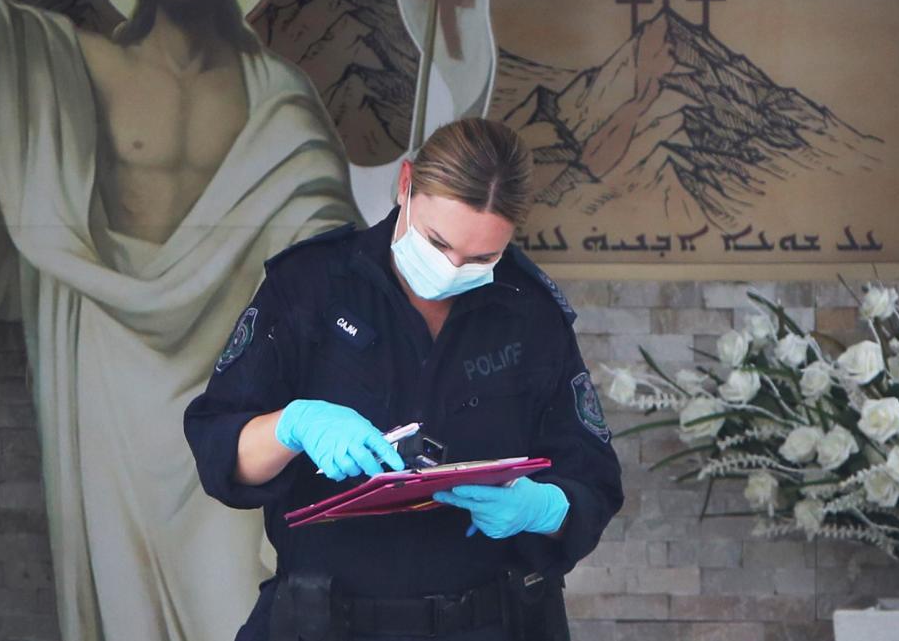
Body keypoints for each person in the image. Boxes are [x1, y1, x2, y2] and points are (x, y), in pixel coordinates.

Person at [0, 0, 359, 639]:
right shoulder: (78, 63)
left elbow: (326, 246)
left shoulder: (275, 95)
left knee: (233, 592)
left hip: (234, 377)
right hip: (111, 372)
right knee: (124, 602)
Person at [184, 118, 624, 640]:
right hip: (327, 622)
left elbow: (592, 481)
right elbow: (219, 449)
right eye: (438, 243)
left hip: (494, 620)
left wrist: (545, 507)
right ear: (405, 184)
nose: (453, 268)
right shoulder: (310, 285)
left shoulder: (530, 313)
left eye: (482, 257)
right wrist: (294, 424)